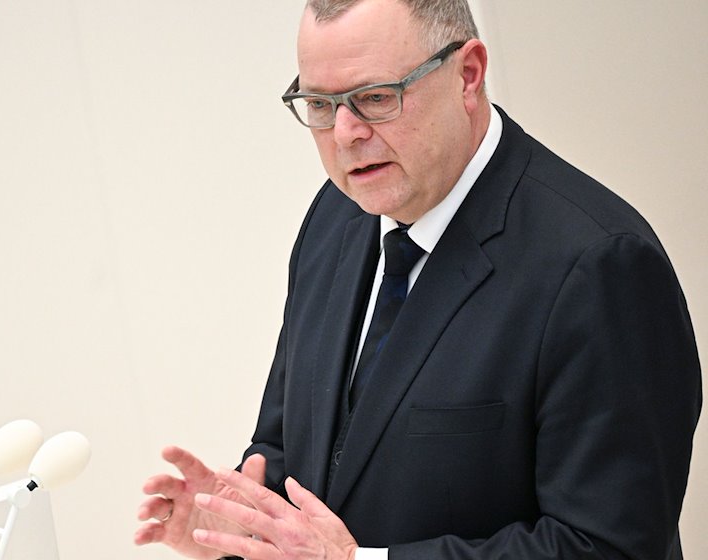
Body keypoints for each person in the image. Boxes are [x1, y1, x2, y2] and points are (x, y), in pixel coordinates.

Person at [135, 0, 702, 558]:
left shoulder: (599, 265)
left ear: (468, 75)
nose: (346, 134)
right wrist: (242, 520)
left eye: (376, 98)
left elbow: (608, 547)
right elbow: (296, 446)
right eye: (321, 104)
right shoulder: (335, 216)